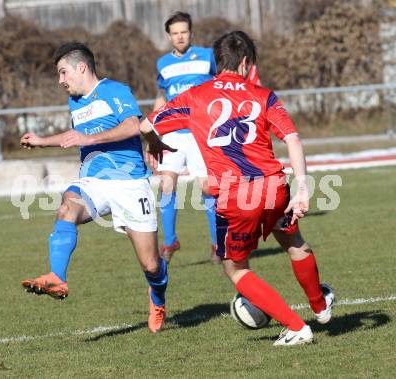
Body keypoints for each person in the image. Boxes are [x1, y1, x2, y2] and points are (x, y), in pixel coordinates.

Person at [140, 31, 335, 345]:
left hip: (235, 196)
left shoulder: (194, 96)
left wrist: (154, 145)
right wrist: (302, 190)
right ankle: (320, 306)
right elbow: (293, 139)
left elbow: (146, 125)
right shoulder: (264, 94)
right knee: (294, 241)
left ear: (217, 63)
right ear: (245, 63)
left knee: (235, 268)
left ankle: (297, 327)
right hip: (275, 187)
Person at [19, 42, 168, 333]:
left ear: (82, 68)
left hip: (130, 184)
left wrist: (91, 139)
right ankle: (56, 276)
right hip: (93, 181)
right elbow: (76, 135)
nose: (60, 80)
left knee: (151, 265)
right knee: (66, 207)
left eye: (63, 73)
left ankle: (158, 297)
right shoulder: (75, 102)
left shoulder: (116, 91)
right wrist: (41, 140)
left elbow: (131, 127)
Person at [153, 11, 219, 263]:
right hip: (173, 133)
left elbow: (220, 84)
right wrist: (155, 127)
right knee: (166, 185)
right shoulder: (163, 64)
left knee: (207, 188)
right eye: (175, 33)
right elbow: (162, 95)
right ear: (169, 37)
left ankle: (216, 245)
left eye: (184, 32)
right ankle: (170, 242)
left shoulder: (207, 57)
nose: (180, 36)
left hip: (200, 133)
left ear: (191, 33)